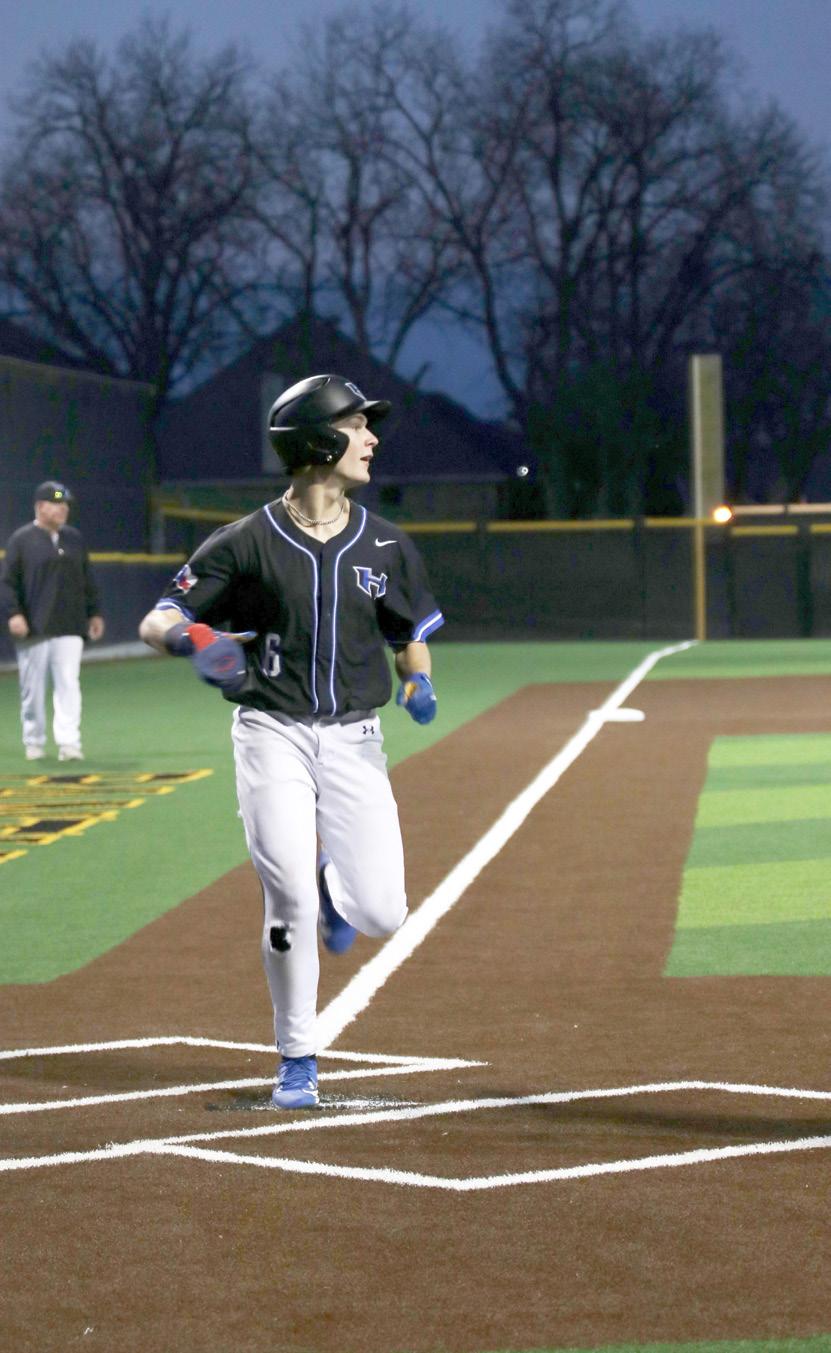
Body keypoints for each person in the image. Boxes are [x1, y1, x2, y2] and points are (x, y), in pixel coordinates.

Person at [138, 374, 444, 1110]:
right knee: (287, 898)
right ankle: (297, 1058)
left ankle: (337, 893)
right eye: (357, 425)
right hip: (270, 732)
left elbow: (409, 634)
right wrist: (195, 639)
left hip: (355, 739)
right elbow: (158, 617)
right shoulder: (244, 541)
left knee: (383, 913)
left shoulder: (387, 544)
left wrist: (418, 680)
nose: (371, 439)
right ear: (317, 440)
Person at [0, 480, 105, 761]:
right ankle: (34, 741)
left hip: (70, 624)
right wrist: (14, 614)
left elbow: (87, 579)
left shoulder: (74, 539)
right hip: (34, 627)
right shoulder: (21, 540)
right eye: (57, 503)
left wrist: (94, 613)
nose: (63, 509)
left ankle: (69, 743)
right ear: (40, 506)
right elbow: (7, 583)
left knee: (69, 684)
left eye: (65, 504)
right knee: (33, 688)